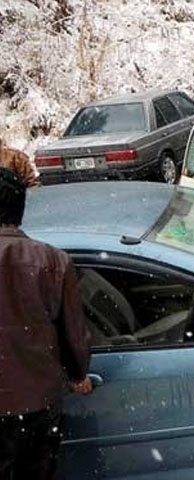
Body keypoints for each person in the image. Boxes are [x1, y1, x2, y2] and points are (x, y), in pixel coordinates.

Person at [0, 167, 92, 480]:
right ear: (20, 211)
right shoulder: (53, 261)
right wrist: (78, 373)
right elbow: (73, 333)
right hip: (35, 403)